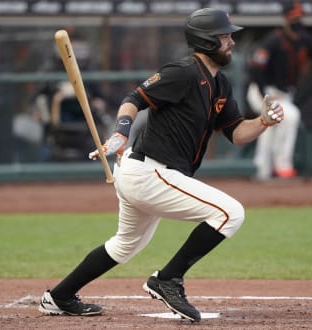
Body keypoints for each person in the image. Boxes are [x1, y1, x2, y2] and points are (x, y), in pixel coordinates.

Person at [38, 8, 284, 322]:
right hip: (150, 171)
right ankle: (167, 279)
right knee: (230, 213)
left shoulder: (220, 85)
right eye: (225, 36)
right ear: (206, 41)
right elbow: (134, 98)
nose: (232, 42)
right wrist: (120, 133)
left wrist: (264, 121)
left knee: (124, 245)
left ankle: (59, 296)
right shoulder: (183, 72)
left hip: (149, 173)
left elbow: (236, 133)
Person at [247, 0, 312, 179]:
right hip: (261, 91)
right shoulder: (274, 40)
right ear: (285, 19)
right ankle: (282, 166)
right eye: (293, 17)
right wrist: (266, 95)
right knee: (290, 116)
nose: (297, 21)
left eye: (299, 17)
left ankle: (261, 169)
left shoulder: (305, 39)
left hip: (284, 94)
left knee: (270, 125)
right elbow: (256, 68)